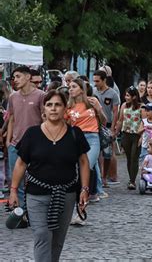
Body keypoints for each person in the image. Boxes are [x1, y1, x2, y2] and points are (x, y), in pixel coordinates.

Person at [9, 90, 90, 262]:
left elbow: (83, 162)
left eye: (58, 105)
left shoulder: (75, 134)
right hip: (36, 195)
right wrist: (14, 190)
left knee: (57, 240)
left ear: (65, 108)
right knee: (42, 235)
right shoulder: (32, 134)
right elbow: (21, 163)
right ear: (43, 109)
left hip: (66, 194)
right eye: (49, 105)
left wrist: (84, 188)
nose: (53, 109)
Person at [66, 78, 107, 225]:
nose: (70, 89)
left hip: (92, 138)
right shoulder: (68, 107)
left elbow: (104, 120)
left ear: (82, 89)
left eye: (74, 86)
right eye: (69, 87)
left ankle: (83, 203)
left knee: (87, 167)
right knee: (76, 173)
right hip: (76, 139)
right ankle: (76, 209)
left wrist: (99, 109)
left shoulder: (91, 102)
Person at [6, 66, 45, 208]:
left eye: (18, 76)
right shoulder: (13, 97)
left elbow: (45, 119)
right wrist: (8, 140)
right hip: (15, 144)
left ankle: (34, 210)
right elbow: (11, 118)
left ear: (28, 77)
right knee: (16, 180)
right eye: (14, 77)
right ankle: (21, 211)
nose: (15, 80)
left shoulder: (41, 95)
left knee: (35, 179)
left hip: (35, 145)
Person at [93, 70, 120, 187]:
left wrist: (113, 129)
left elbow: (115, 112)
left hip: (108, 126)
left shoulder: (113, 94)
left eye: (97, 81)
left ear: (104, 80)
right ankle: (98, 177)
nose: (95, 83)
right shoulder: (93, 92)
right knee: (96, 153)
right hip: (95, 125)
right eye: (94, 81)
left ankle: (105, 177)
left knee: (107, 153)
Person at [115, 86, 142, 190]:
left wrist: (142, 137)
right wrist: (116, 132)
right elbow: (120, 120)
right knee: (129, 158)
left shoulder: (141, 107)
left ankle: (132, 181)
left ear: (134, 97)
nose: (125, 97)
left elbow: (143, 122)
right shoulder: (124, 106)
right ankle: (131, 178)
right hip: (126, 134)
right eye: (125, 95)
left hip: (136, 135)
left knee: (134, 157)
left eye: (128, 95)